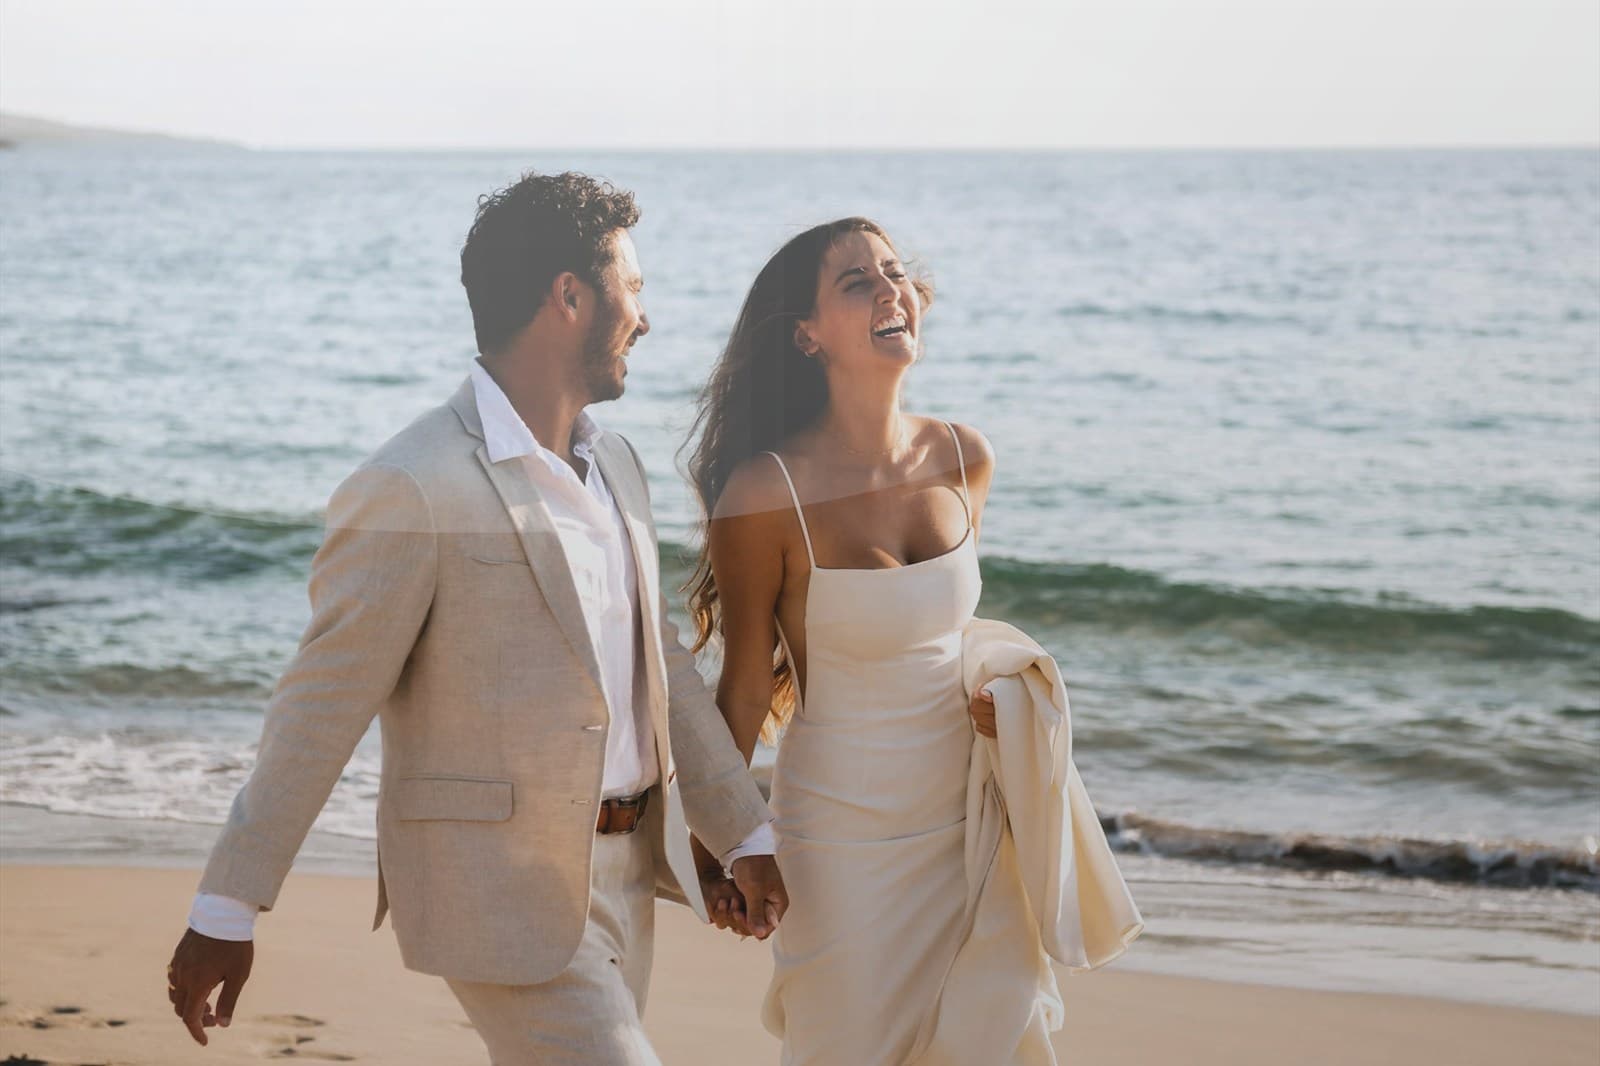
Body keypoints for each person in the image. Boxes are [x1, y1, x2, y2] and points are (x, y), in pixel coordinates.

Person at [164, 170, 787, 1066]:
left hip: (627, 876)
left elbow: (665, 670)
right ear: (569, 296)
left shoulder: (618, 469)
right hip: (498, 889)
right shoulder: (412, 484)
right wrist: (228, 906)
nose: (645, 318)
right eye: (633, 289)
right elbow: (319, 707)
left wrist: (745, 831)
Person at [681, 217, 1064, 1063]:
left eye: (896, 273)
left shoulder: (965, 456)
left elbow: (948, 637)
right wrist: (717, 839)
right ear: (806, 336)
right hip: (841, 845)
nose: (894, 290)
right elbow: (744, 685)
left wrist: (1004, 693)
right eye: (859, 281)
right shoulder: (763, 493)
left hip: (969, 825)